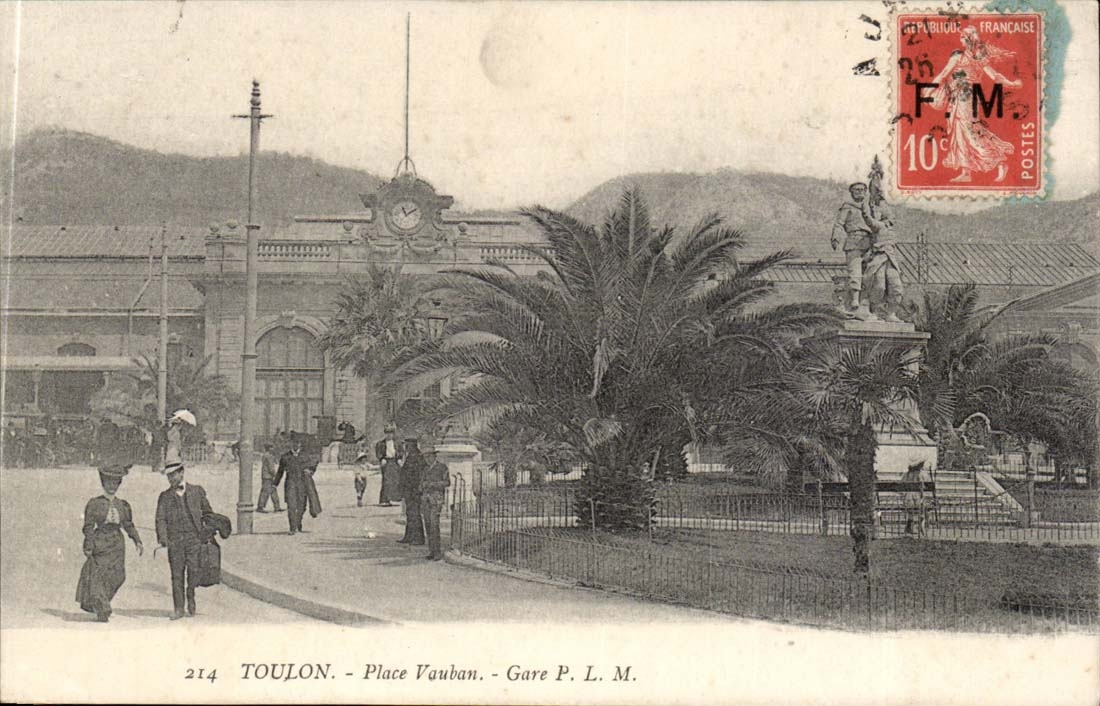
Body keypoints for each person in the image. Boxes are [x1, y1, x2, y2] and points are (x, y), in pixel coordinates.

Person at [929, 26, 1023, 184]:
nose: (960, 40)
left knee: (968, 131)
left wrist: (928, 89)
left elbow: (944, 74)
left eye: (962, 37)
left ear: (966, 39)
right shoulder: (979, 57)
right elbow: (996, 76)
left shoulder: (959, 56)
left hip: (963, 98)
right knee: (964, 131)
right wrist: (1012, 84)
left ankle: (1000, 161)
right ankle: (966, 171)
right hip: (969, 97)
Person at [76, 464, 143, 622]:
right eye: (108, 483)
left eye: (115, 483)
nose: (112, 486)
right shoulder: (94, 503)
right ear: (103, 483)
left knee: (118, 576)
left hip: (117, 545)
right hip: (100, 543)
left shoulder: (123, 505)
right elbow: (88, 527)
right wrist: (88, 545)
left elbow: (128, 525)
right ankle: (102, 608)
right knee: (98, 576)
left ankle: (101, 602)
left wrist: (137, 540)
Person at [154, 462, 212, 619]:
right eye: (168, 476)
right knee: (176, 575)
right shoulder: (164, 497)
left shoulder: (197, 491)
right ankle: (178, 608)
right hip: (175, 541)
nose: (171, 478)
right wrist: (163, 538)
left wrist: (207, 532)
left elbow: (208, 513)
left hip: (194, 538)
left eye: (174, 474)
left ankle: (190, 593)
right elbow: (160, 519)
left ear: (182, 473)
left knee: (194, 571)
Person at [829, 182, 874, 320]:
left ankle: (865, 303)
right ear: (852, 193)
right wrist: (835, 237)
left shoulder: (871, 208)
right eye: (856, 190)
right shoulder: (847, 207)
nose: (859, 192)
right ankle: (854, 300)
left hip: (870, 242)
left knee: (870, 272)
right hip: (853, 240)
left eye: (862, 190)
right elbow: (839, 223)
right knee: (855, 270)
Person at [273, 434, 312, 534]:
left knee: (302, 506)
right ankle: (292, 528)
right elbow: (280, 472)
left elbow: (312, 466)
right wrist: (275, 484)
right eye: (294, 443)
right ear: (291, 444)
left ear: (300, 445)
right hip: (290, 484)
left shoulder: (305, 456)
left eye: (298, 443)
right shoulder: (285, 457)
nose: (296, 445)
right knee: (291, 506)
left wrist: (310, 470)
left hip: (302, 484)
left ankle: (298, 522)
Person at [419, 444, 451, 561]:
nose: (427, 459)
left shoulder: (442, 468)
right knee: (428, 525)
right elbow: (421, 483)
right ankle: (431, 551)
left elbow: (447, 482)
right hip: (426, 500)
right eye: (425, 457)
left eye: (429, 457)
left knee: (434, 525)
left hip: (436, 500)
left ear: (434, 456)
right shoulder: (425, 469)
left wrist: (432, 484)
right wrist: (422, 487)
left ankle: (437, 552)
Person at [397, 439, 426, 545]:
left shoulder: (417, 457)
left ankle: (418, 538)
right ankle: (409, 536)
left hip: (414, 490)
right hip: (409, 489)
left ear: (411, 446)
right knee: (410, 514)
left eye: (407, 445)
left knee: (414, 514)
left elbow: (416, 475)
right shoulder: (411, 456)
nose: (405, 447)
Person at [374, 424, 403, 507]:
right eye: (387, 433)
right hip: (386, 462)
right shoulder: (381, 443)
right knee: (386, 481)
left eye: (390, 433)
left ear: (393, 434)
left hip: (395, 462)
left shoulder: (397, 443)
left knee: (396, 480)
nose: (389, 435)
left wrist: (399, 458)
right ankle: (385, 499)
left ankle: (395, 499)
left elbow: (401, 451)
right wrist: (381, 458)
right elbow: (378, 452)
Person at [901, 460, 929, 537]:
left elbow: (901, 487)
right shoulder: (921, 475)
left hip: (907, 500)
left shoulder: (906, 475)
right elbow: (923, 488)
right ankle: (921, 524)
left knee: (911, 509)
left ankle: (909, 525)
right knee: (923, 507)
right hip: (917, 500)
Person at [256, 443, 282, 513]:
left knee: (273, 491)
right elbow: (271, 468)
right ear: (269, 448)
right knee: (266, 492)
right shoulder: (269, 456)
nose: (273, 449)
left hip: (266, 476)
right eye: (272, 447)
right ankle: (260, 506)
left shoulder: (265, 455)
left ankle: (277, 506)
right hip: (268, 476)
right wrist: (275, 475)